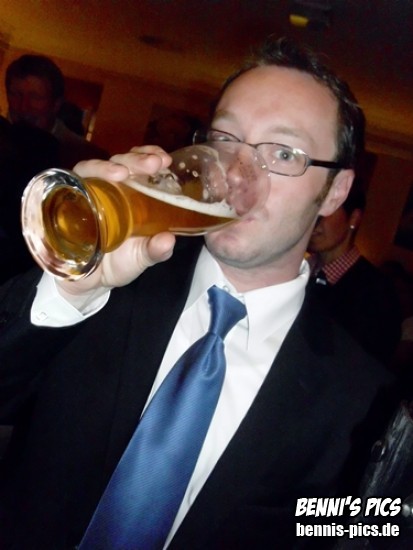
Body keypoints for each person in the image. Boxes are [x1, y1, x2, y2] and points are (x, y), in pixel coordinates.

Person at [0, 37, 398, 549]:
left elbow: (350, 532)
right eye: (226, 139)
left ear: (335, 192)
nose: (237, 173)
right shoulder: (110, 285)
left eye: (283, 153)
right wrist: (69, 286)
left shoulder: (363, 400)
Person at [307, 186, 402, 366]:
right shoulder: (299, 271)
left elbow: (367, 365)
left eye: (328, 210)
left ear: (353, 219)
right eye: (312, 209)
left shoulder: (376, 292)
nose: (315, 220)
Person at [5, 54, 108, 168]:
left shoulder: (83, 156)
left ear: (56, 104)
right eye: (16, 94)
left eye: (36, 97)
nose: (24, 106)